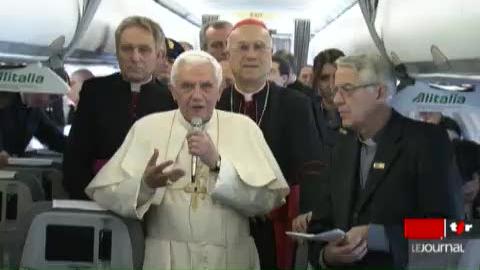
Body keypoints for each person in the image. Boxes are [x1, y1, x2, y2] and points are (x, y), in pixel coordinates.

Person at [86, 50, 289, 270]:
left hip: (231, 257)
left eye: (206, 86)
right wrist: (145, 185)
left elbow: (268, 200)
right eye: (187, 86)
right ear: (173, 92)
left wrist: (218, 164)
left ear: (220, 90)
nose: (197, 95)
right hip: (167, 259)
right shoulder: (147, 128)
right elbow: (106, 194)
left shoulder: (244, 128)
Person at [307, 54, 461, 269]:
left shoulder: (426, 142)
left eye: (348, 89)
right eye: (336, 90)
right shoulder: (342, 146)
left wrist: (382, 236)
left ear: (380, 91)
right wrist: (326, 255)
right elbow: (320, 224)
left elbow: (451, 230)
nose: (337, 99)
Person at [217, 18, 323, 270]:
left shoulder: (295, 104)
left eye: (259, 47)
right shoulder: (216, 103)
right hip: (223, 216)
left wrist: (308, 208)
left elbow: (313, 163)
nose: (251, 55)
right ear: (228, 54)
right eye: (242, 48)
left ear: (270, 53)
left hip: (278, 220)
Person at [63, 16, 177, 200]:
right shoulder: (95, 91)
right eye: (127, 49)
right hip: (94, 196)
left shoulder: (171, 100)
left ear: (159, 56)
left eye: (144, 50)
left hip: (150, 202)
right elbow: (75, 157)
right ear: (117, 52)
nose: (135, 57)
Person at [0, 91, 66, 159]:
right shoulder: (5, 98)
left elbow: (54, 137)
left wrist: (75, 146)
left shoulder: (35, 111)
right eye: (51, 97)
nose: (48, 104)